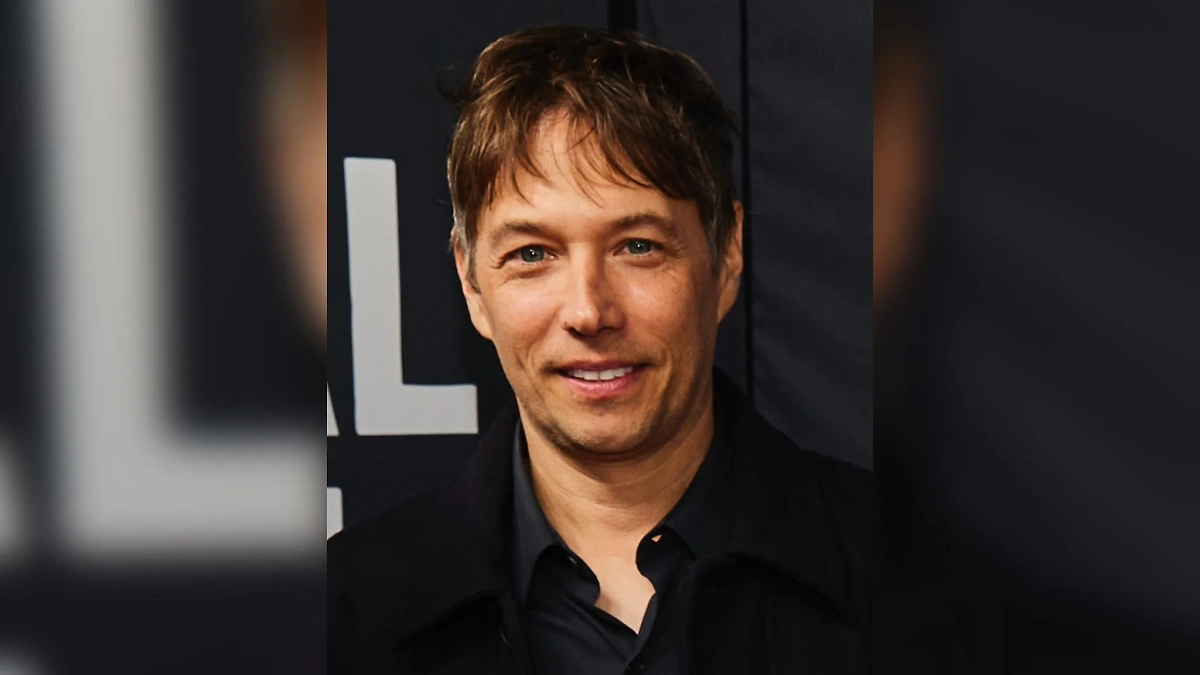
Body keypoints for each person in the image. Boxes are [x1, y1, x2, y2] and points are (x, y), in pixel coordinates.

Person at [328, 26, 871, 674]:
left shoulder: (919, 583)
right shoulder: (344, 619)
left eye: (638, 246)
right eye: (532, 253)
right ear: (472, 284)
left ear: (726, 258)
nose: (588, 311)